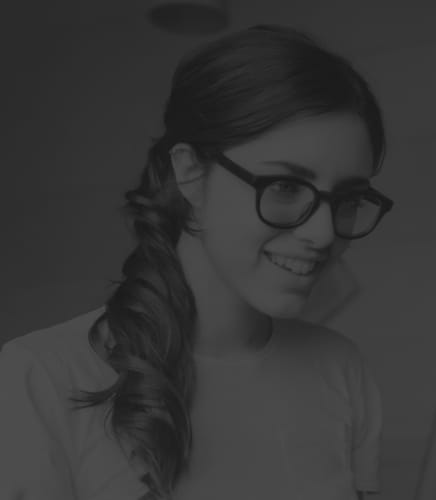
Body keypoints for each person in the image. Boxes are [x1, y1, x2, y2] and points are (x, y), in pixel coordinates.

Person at [0, 24, 394, 500]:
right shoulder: (44, 376)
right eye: (286, 187)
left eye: (348, 198)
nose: (324, 232)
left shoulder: (340, 367)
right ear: (189, 171)